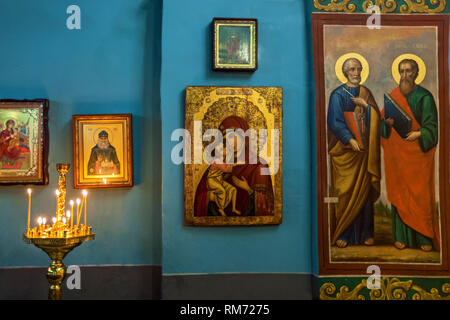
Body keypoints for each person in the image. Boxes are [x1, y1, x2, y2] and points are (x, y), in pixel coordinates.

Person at [381, 58, 439, 252]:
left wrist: (420, 133)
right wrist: (386, 124)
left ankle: (424, 238)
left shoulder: (425, 97)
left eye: (409, 71)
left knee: (420, 195)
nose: (405, 75)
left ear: (416, 73)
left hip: (418, 157)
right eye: (402, 71)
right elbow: (381, 124)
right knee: (401, 193)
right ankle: (400, 237)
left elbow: (432, 127)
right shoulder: (394, 96)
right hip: (398, 155)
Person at [327, 57, 381, 248]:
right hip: (346, 152)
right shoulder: (337, 95)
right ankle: (344, 233)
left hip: (364, 151)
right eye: (352, 69)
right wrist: (350, 139)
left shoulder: (366, 93)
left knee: (364, 194)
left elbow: (376, 118)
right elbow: (334, 121)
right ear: (345, 72)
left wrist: (367, 107)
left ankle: (366, 233)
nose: (356, 73)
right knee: (345, 193)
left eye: (358, 69)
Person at [194, 116, 274, 217]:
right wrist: (209, 196)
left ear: (244, 136)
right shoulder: (218, 165)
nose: (229, 143)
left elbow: (269, 206)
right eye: (224, 140)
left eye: (232, 136)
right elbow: (198, 202)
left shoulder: (258, 166)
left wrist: (248, 190)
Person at [206, 143, 241, 217]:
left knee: (233, 189)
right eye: (222, 149)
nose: (225, 149)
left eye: (224, 147)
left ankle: (233, 208)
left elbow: (228, 164)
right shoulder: (217, 160)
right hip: (212, 180)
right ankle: (221, 209)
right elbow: (227, 169)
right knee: (222, 191)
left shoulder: (223, 159)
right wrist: (236, 164)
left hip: (219, 180)